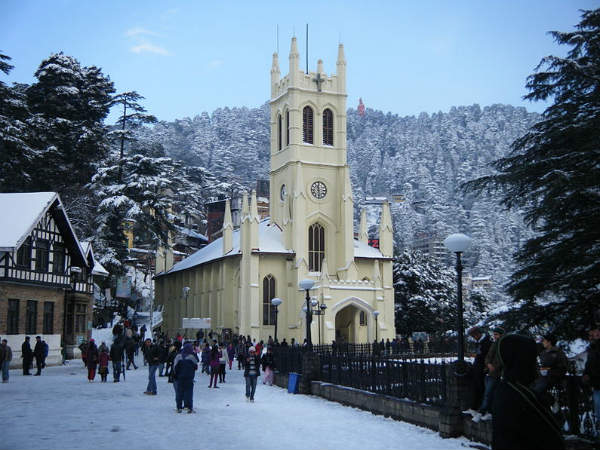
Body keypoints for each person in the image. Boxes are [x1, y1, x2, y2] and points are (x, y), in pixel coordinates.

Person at [491, 334, 565, 450]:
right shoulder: (519, 395)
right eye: (533, 359)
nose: (536, 364)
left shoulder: (508, 388)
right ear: (523, 361)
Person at [474, 327, 504, 422]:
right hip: (489, 371)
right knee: (489, 393)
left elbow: (501, 359)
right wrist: (488, 364)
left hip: (496, 372)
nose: (495, 336)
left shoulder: (502, 345)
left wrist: (493, 366)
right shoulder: (494, 344)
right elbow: (488, 357)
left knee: (489, 393)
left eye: (497, 334)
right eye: (494, 334)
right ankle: (488, 411)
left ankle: (483, 411)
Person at [465, 327, 492, 415]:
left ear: (478, 334)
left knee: (481, 388)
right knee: (476, 387)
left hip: (482, 369)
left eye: (474, 336)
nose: (474, 338)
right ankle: (475, 407)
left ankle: (480, 408)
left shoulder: (486, 343)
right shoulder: (481, 342)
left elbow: (484, 356)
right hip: (478, 368)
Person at [531, 334, 568, 399]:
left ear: (549, 342)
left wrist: (549, 371)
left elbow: (563, 367)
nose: (542, 342)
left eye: (544, 340)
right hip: (539, 378)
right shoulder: (542, 353)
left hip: (551, 379)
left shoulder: (558, 352)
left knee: (535, 392)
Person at [583, 328, 600, 439]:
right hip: (597, 384)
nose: (590, 338)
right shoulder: (591, 349)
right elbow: (589, 365)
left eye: (592, 335)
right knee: (598, 407)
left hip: (597, 382)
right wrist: (586, 373)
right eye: (589, 336)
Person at [173, 342, 199, 413]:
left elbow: (175, 367)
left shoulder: (178, 356)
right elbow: (196, 366)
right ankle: (189, 407)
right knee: (189, 392)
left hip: (180, 377)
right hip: (189, 377)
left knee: (179, 392)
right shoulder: (192, 357)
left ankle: (179, 407)